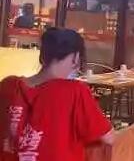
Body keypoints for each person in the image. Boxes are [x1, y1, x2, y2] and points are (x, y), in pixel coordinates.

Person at [0, 28, 114, 160]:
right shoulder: (75, 91)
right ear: (76, 58)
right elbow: (107, 137)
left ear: (42, 55)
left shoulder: (8, 86)